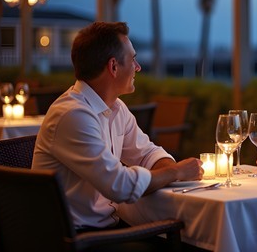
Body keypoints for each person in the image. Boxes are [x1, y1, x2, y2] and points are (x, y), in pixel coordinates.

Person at [32, 21, 203, 233]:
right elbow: (120, 186)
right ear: (113, 67)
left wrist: (165, 168)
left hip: (105, 227)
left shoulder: (116, 108)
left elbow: (147, 153)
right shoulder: (73, 115)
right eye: (133, 59)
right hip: (74, 238)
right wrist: (176, 172)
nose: (138, 67)